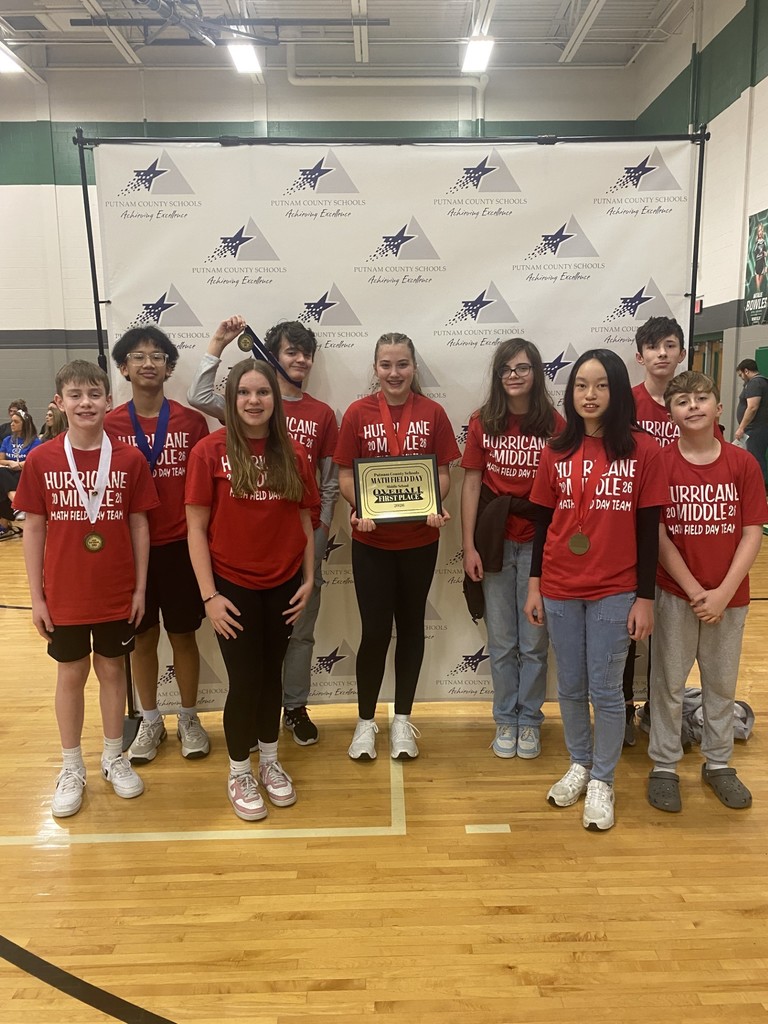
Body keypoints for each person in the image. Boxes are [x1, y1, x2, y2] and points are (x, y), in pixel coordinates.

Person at [524, 350, 668, 832]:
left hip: (615, 589)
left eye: (601, 385)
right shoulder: (555, 450)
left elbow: (650, 531)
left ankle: (603, 780)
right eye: (582, 385)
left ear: (618, 391)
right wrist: (535, 586)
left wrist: (644, 598)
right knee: (569, 686)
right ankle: (581, 763)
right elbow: (544, 524)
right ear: (570, 392)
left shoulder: (643, 451)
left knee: (607, 690)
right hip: (560, 586)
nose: (590, 395)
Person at [13, 360, 158, 818]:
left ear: (109, 401)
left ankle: (113, 756)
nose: (85, 403)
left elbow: (139, 525)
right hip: (65, 593)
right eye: (75, 395)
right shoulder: (42, 459)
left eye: (94, 394)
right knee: (71, 675)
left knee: (113, 672)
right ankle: (71, 765)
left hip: (116, 590)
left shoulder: (129, 458)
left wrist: (139, 589)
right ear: (59, 403)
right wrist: (37, 597)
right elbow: (33, 530)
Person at [188, 317, 339, 746]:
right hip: (239, 564)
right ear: (271, 358)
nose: (300, 359)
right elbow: (199, 394)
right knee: (249, 663)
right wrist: (217, 344)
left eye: (306, 353)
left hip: (300, 544)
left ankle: (293, 708)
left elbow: (325, 483)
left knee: (299, 632)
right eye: (290, 351)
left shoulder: (320, 414)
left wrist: (320, 528)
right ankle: (249, 738)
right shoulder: (242, 410)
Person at [185, 359, 317, 822]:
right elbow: (195, 529)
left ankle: (270, 759)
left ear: (275, 400)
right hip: (231, 586)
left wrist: (309, 578)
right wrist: (210, 596)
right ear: (231, 398)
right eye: (244, 393)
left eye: (263, 392)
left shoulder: (294, 453)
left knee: (272, 677)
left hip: (282, 584)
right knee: (245, 681)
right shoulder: (209, 451)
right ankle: (240, 770)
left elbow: (304, 519)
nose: (254, 401)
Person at [335, 332, 461, 761]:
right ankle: (366, 721)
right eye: (386, 365)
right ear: (375, 369)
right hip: (371, 541)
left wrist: (434, 503)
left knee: (410, 630)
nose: (394, 373)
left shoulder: (433, 413)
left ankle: (403, 719)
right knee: (373, 633)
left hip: (420, 540)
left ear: (413, 368)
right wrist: (359, 506)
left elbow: (443, 473)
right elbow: (346, 478)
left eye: (402, 364)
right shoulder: (357, 413)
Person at [647, 371, 767, 813]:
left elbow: (753, 533)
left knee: (721, 684)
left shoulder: (742, 463)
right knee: (668, 684)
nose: (693, 406)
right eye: (683, 400)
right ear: (671, 412)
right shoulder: (660, 462)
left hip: (729, 598)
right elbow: (657, 535)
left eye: (702, 398)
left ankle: (718, 763)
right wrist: (696, 589)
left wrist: (721, 593)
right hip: (676, 594)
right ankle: (663, 765)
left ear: (719, 407)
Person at [106, 325, 211, 765]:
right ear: (124, 368)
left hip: (182, 547)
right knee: (143, 640)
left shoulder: (191, 421)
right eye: (138, 356)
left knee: (184, 636)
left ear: (169, 367)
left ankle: (189, 718)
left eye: (157, 356)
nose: (148, 363)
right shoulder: (109, 424)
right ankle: (151, 720)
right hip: (132, 552)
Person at [461, 338, 564, 760]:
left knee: (534, 643)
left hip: (541, 545)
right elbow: (470, 484)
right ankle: (505, 718)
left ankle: (530, 720)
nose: (514, 376)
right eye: (506, 369)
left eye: (522, 368)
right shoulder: (483, 421)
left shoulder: (556, 425)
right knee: (503, 642)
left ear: (536, 373)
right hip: (495, 542)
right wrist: (468, 546)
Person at [623, 316, 688, 744]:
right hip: (634, 532)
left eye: (670, 345)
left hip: (685, 529)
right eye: (653, 346)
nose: (661, 353)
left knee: (673, 639)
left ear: (683, 353)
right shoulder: (624, 404)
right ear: (639, 355)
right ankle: (625, 709)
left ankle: (661, 715)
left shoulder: (694, 400)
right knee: (627, 632)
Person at [0, 407, 41, 537]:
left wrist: (18, 465)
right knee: (2, 477)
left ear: (24, 424)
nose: (12, 424)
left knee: (2, 480)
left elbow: (34, 461)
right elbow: (1, 459)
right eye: (11, 421)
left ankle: (4, 524)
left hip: (25, 474)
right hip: (8, 472)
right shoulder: (7, 440)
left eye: (16, 422)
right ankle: (16, 503)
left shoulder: (35, 441)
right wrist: (10, 463)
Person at [735, 358, 768, 489]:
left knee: (756, 458)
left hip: (755, 428)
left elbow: (752, 407)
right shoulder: (763, 382)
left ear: (746, 371)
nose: (742, 378)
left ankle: (760, 488)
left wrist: (741, 427)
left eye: (741, 375)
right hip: (759, 427)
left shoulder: (755, 383)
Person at [754, 222, 766, 293]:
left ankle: (758, 289)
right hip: (757, 260)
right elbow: (754, 251)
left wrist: (764, 253)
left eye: (761, 230)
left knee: (762, 274)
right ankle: (758, 290)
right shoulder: (756, 242)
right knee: (757, 273)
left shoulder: (764, 241)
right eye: (759, 231)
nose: (760, 232)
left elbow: (766, 251)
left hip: (762, 261)